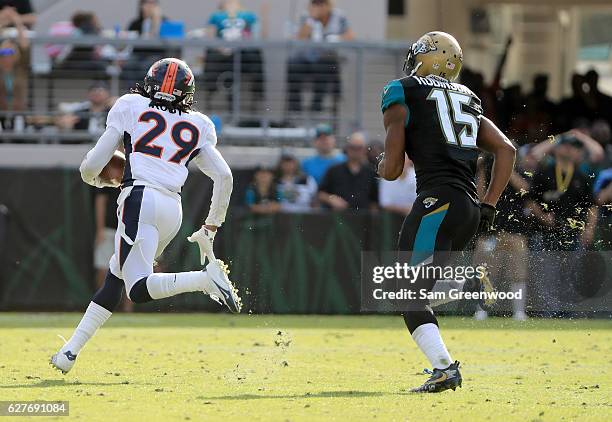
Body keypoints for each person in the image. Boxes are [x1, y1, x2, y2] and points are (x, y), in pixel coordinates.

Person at [51, 58, 240, 375]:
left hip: (139, 199)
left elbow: (90, 166)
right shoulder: (200, 123)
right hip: (172, 208)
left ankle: (205, 279)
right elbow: (225, 177)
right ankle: (69, 352)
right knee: (116, 277)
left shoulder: (130, 104)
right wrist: (211, 226)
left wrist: (95, 180)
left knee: (137, 289)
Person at [377, 32, 516, 393]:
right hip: (468, 208)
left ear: (423, 57)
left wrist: (381, 165)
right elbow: (506, 149)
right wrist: (490, 204)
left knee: (405, 293)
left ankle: (444, 368)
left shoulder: (403, 89)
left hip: (435, 203)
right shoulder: (468, 96)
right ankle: (452, 283)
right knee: (413, 289)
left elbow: (393, 170)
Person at [287, 0, 354, 112]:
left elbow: (350, 36)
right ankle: (295, 105)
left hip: (329, 59)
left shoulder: (339, 16)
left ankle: (316, 104)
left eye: (321, 3)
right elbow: (300, 38)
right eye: (315, 3)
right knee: (293, 64)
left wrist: (337, 38)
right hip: (307, 59)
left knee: (322, 66)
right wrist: (311, 19)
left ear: (328, 5)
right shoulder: (306, 17)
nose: (318, 6)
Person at [204, 0, 265, 113]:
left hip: (243, 53)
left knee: (253, 56)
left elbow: (257, 38)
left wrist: (265, 15)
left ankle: (257, 96)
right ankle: (227, 104)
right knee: (225, 62)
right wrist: (221, 48)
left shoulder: (249, 15)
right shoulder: (216, 16)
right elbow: (210, 38)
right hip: (223, 54)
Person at [93, 187, 132, 312]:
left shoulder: (137, 172)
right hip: (109, 229)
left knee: (131, 271)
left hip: (130, 230)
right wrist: (100, 229)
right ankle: (102, 306)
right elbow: (101, 200)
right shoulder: (110, 170)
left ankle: (127, 310)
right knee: (103, 270)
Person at [318, 132, 378, 211]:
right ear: (347, 148)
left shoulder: (371, 172)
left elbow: (375, 200)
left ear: (365, 150)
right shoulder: (334, 170)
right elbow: (320, 193)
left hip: (363, 220)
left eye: (359, 148)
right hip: (337, 219)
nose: (355, 151)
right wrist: (331, 199)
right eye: (353, 147)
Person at [0, 6, 29, 127]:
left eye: (10, 52)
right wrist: (2, 19)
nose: (7, 56)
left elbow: (24, 44)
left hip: (18, 114)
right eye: (3, 53)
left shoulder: (21, 68)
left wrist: (17, 20)